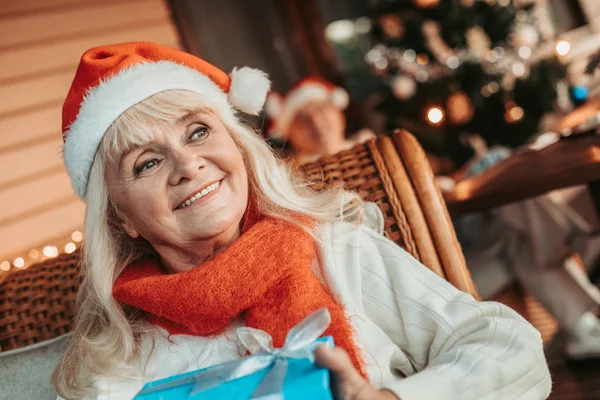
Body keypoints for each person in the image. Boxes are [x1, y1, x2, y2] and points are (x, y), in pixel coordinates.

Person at [52, 42, 551, 400]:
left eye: (198, 132)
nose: (188, 166)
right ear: (122, 220)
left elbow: (510, 347)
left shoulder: (339, 250)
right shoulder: (112, 361)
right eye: (147, 163)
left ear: (238, 149)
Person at [438, 134, 600, 360]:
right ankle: (586, 251)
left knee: (519, 241)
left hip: (489, 247)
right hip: (448, 261)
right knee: (498, 165)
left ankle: (582, 329)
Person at [265, 76, 375, 164]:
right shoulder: (293, 175)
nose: (316, 122)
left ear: (338, 113)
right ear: (289, 134)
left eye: (321, 110)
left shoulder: (368, 146)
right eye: (303, 121)